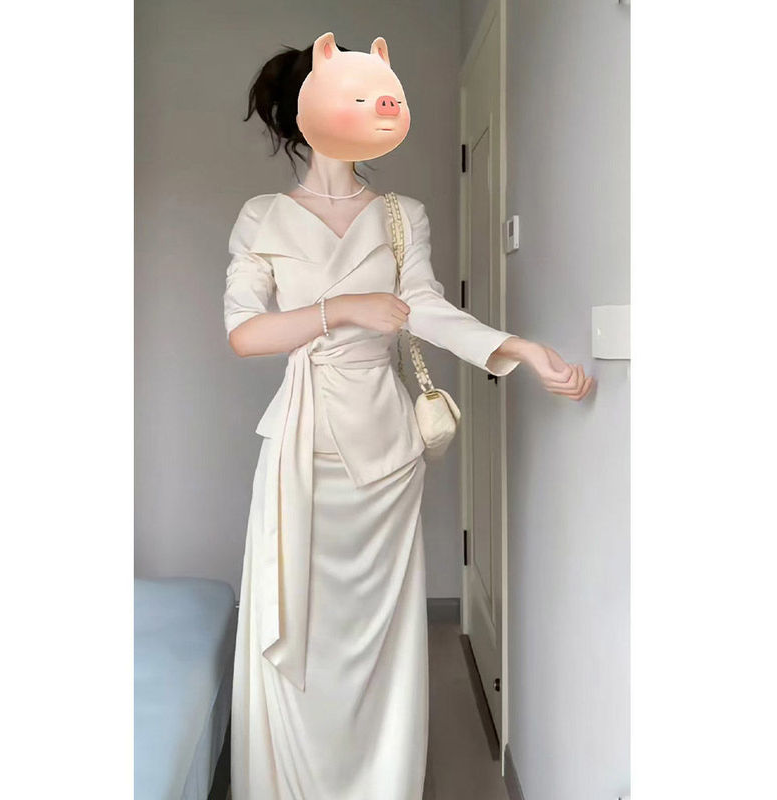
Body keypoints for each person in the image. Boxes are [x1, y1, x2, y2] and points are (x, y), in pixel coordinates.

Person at [224, 32, 593, 800]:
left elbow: (426, 309)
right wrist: (341, 309)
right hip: (300, 448)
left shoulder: (400, 216)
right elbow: (245, 335)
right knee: (301, 631)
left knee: (380, 640)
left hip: (386, 453)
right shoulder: (262, 216)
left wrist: (519, 348)